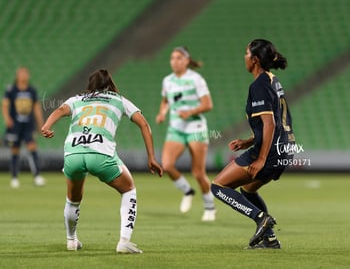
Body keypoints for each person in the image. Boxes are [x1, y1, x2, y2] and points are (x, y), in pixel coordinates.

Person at [41, 69, 163, 254]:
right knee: (129, 189)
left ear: (90, 85)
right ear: (110, 84)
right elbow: (144, 124)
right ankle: (124, 241)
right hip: (100, 153)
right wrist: (151, 157)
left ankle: (71, 241)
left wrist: (46, 126)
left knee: (73, 199)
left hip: (73, 153)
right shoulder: (119, 100)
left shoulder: (77, 99)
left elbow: (59, 110)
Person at [211, 39, 295, 249]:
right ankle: (269, 239)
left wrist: (261, 158)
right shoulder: (273, 80)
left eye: (246, 53)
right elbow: (274, 121)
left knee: (218, 186)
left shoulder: (259, 85)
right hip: (285, 149)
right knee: (247, 190)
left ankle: (260, 218)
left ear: (255, 60)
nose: (244, 57)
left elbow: (269, 122)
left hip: (270, 153)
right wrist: (248, 141)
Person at [155, 47, 216, 221]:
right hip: (176, 128)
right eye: (172, 58)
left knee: (198, 172)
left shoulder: (196, 79)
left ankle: (209, 207)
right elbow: (166, 100)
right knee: (167, 165)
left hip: (195, 128)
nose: (175, 61)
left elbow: (208, 104)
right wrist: (162, 113)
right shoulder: (167, 80)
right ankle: (187, 191)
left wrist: (189, 112)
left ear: (187, 61)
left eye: (179, 58)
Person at [2, 67, 46, 188]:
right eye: (21, 74)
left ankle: (37, 176)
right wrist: (7, 119)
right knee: (15, 149)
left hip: (28, 125)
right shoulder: (11, 90)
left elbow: (36, 108)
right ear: (17, 76)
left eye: (25, 74)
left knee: (32, 147)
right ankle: (15, 177)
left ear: (28, 76)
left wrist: (41, 123)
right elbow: (5, 105)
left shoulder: (32, 91)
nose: (23, 76)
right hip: (15, 125)